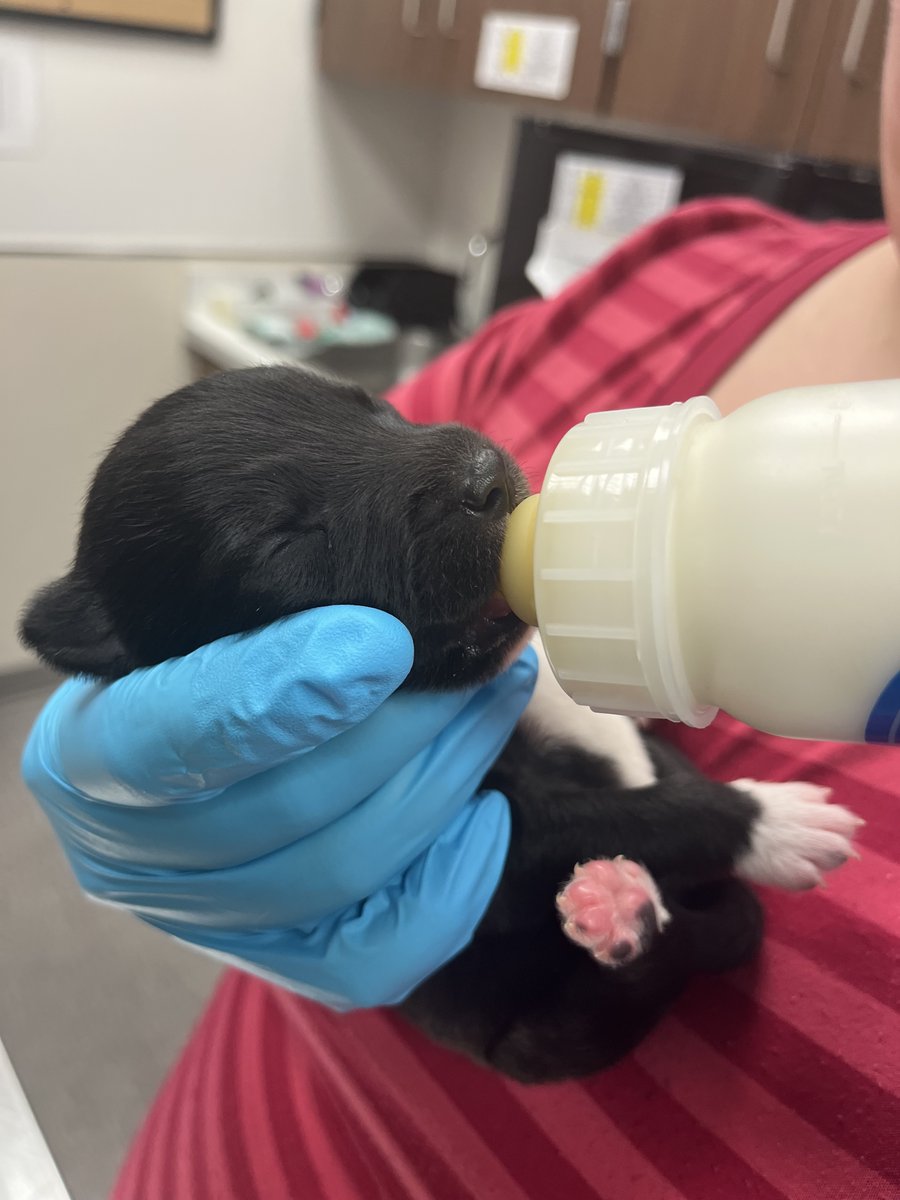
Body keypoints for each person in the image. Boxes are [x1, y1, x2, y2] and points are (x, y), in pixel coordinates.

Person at [22, 8, 900, 1198]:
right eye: (292, 531)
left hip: (557, 995)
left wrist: (716, 828)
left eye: (375, 411)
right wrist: (130, 795)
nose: (474, 466)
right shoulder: (671, 267)